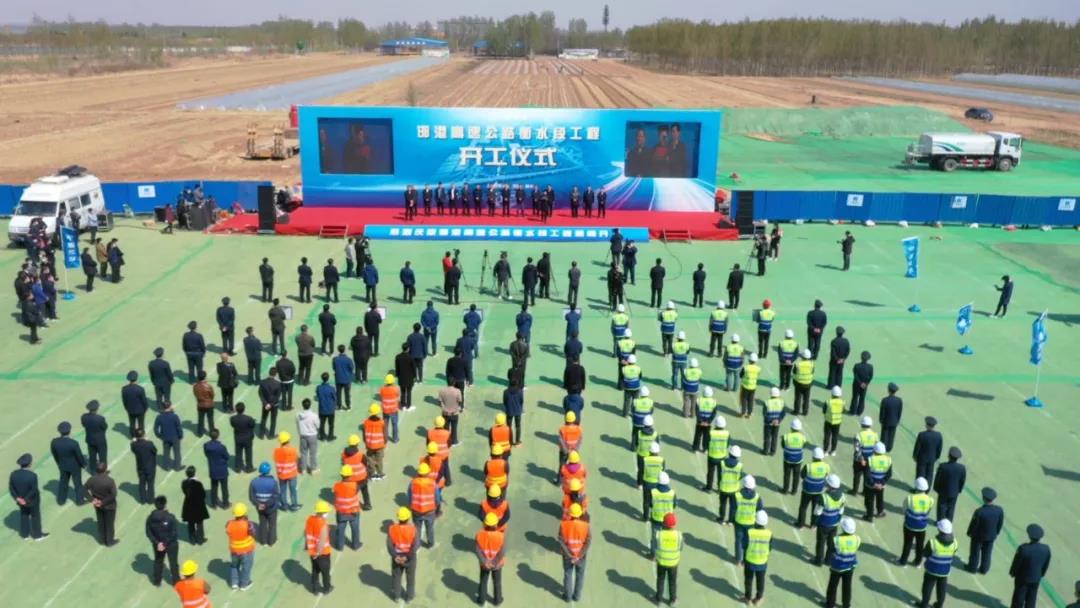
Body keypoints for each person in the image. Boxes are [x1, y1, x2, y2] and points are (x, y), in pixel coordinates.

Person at [916, 519, 959, 608]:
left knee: (927, 587)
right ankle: (939, 605)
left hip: (931, 570)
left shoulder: (933, 542)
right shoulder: (955, 543)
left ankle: (924, 604)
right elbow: (953, 553)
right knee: (942, 589)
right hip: (945, 571)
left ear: (940, 530)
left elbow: (925, 553)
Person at [1010, 524, 1052, 608]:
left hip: (1022, 578)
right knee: (1031, 598)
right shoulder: (1046, 549)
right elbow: (1046, 564)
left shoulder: (1024, 548)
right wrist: (1041, 574)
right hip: (1036, 578)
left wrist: (1013, 572)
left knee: (1019, 597)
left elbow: (1017, 563)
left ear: (1029, 536)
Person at [897, 476, 935, 567]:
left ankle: (903, 561)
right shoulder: (930, 500)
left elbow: (904, 510)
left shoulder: (910, 498)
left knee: (907, 543)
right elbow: (928, 511)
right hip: (922, 527)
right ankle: (918, 562)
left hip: (909, 525)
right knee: (920, 545)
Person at [824, 517, 861, 608]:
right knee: (847, 586)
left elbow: (831, 549)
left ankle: (830, 604)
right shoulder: (857, 539)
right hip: (850, 566)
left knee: (833, 586)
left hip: (837, 566)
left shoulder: (837, 539)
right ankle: (846, 605)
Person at [9, 453, 47, 540]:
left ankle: (24, 535)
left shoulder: (13, 474)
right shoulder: (32, 476)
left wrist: (18, 498)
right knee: (35, 517)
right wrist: (25, 499)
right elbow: (33, 490)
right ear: (29, 464)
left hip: (20, 500)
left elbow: (11, 488)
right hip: (32, 501)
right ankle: (37, 536)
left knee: (24, 515)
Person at [967, 487, 1004, 574]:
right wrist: (996, 532)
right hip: (991, 536)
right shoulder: (999, 510)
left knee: (975, 553)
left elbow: (974, 525)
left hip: (978, 537)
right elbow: (1000, 523)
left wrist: (970, 533)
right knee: (987, 553)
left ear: (983, 498)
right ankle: (984, 569)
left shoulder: (979, 511)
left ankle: (972, 568)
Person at [559, 501, 590, 602]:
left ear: (570, 514)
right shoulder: (586, 526)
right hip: (581, 557)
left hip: (567, 556)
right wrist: (579, 556)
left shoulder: (563, 525)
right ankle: (577, 596)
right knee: (580, 576)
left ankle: (567, 597)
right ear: (580, 514)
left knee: (568, 575)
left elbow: (561, 541)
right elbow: (588, 542)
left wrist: (569, 555)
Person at [146, 495, 180, 586]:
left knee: (158, 561)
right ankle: (176, 582)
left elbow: (148, 532)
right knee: (173, 563)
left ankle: (157, 581)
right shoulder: (170, 517)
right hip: (171, 544)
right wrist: (165, 543)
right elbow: (174, 532)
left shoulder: (150, 518)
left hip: (158, 545)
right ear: (165, 504)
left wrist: (157, 543)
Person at [51, 421, 86, 505]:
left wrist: (59, 463)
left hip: (63, 465)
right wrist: (83, 464)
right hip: (74, 466)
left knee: (63, 483)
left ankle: (61, 500)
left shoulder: (54, 442)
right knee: (77, 483)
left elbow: (55, 454)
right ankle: (80, 500)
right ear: (69, 431)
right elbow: (79, 456)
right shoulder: (73, 443)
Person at [475, 511, 506, 605]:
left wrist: (485, 562)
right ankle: (497, 600)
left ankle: (481, 600)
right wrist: (494, 562)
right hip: (497, 565)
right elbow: (502, 552)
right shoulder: (501, 536)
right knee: (497, 582)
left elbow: (477, 550)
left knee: (483, 581)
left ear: (485, 524)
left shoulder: (479, 535)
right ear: (496, 524)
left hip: (484, 565)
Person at [407, 462, 441, 547]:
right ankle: (430, 543)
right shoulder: (432, 483)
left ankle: (417, 544)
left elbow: (410, 497)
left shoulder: (412, 483)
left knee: (417, 528)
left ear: (418, 473)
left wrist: (410, 507)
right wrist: (437, 508)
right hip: (429, 510)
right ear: (428, 473)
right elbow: (437, 498)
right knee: (430, 528)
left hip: (416, 510)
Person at [814, 475, 846, 566]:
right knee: (831, 543)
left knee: (821, 543)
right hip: (834, 524)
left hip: (823, 524)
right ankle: (828, 560)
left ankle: (819, 561)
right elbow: (841, 511)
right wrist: (837, 520)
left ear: (830, 485)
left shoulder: (823, 497)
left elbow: (817, 512)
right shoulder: (842, 496)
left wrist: (814, 523)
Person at [85, 462, 118, 546]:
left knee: (101, 522)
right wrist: (103, 502)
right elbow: (113, 495)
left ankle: (102, 540)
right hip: (109, 506)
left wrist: (92, 499)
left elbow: (83, 489)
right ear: (105, 470)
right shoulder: (109, 481)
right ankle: (109, 541)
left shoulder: (91, 479)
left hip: (97, 505)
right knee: (109, 524)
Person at [744, 510, 773, 605]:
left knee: (748, 579)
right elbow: (770, 547)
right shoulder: (769, 534)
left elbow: (744, 545)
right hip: (762, 561)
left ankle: (748, 598)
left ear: (755, 521)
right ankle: (758, 598)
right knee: (760, 580)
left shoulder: (750, 532)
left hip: (750, 560)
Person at [306, 501, 334, 595]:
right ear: (322, 512)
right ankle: (327, 588)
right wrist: (317, 553)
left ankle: (314, 588)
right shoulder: (323, 524)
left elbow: (308, 533)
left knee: (315, 570)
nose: (327, 513)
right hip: (322, 553)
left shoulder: (310, 519)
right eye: (326, 512)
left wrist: (314, 553)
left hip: (312, 551)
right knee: (325, 572)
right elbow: (322, 541)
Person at [797, 447, 830, 528]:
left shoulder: (808, 466)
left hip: (807, 490)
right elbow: (826, 476)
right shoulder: (826, 467)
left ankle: (800, 524)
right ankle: (813, 525)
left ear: (813, 457)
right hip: (819, 491)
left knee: (803, 507)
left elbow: (802, 475)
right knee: (815, 509)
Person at [654, 512, 682, 605]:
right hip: (673, 563)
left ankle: (658, 599)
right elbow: (681, 547)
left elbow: (655, 546)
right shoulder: (678, 535)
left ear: (664, 523)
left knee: (660, 580)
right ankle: (672, 600)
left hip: (661, 562)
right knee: (672, 582)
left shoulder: (659, 535)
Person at [249, 462, 280, 546]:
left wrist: (259, 504)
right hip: (271, 508)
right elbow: (275, 496)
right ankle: (272, 541)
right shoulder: (273, 482)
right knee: (272, 525)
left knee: (262, 523)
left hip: (260, 508)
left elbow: (251, 497)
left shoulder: (253, 482)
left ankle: (263, 541)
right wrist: (266, 504)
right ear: (269, 471)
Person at [341, 435, 373, 510]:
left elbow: (343, 463)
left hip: (350, 478)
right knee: (365, 491)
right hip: (362, 477)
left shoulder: (343, 454)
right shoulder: (360, 454)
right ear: (357, 444)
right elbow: (366, 464)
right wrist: (369, 474)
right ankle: (367, 505)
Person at [934, 447, 966, 522]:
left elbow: (938, 479)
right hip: (954, 492)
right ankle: (948, 522)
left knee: (941, 506)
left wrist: (936, 488)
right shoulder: (962, 468)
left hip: (943, 491)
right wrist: (959, 490)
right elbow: (962, 481)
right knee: (951, 507)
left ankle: (940, 521)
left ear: (949, 455)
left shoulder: (943, 466)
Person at [180, 466, 209, 544]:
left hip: (188, 505)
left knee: (190, 523)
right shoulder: (198, 484)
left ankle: (192, 539)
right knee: (199, 523)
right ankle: (200, 539)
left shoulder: (184, 483)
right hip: (198, 506)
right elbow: (203, 494)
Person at [851, 416, 878, 495]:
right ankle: (865, 492)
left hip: (859, 460)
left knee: (857, 475)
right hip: (870, 460)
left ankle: (855, 491)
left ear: (862, 424)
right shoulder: (875, 435)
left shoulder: (858, 435)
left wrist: (861, 459)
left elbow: (857, 449)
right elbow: (875, 449)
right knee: (867, 476)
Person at [203, 429, 231, 509]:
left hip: (213, 469)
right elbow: (227, 457)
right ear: (218, 436)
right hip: (222, 470)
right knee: (224, 488)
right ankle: (225, 504)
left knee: (214, 487)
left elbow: (206, 454)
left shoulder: (206, 446)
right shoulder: (221, 447)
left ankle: (214, 504)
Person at [864, 443, 892, 520]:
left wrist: (874, 484)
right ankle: (880, 512)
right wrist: (882, 483)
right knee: (880, 498)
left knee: (870, 500)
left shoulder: (870, 459)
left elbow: (867, 474)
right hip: (881, 485)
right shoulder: (888, 460)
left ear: (875, 451)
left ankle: (869, 516)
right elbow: (889, 474)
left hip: (870, 485)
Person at [913, 417, 943, 486]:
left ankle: (918, 487)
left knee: (920, 473)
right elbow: (939, 448)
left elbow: (917, 447)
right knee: (929, 474)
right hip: (932, 458)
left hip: (922, 458)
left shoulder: (922, 435)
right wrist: (936, 457)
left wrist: (915, 456)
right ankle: (927, 488)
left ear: (927, 425)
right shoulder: (938, 435)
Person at [274, 432, 300, 511]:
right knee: (293, 490)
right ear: (288, 441)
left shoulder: (276, 451)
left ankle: (284, 506)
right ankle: (294, 505)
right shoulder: (293, 450)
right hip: (292, 473)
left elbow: (276, 460)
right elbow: (296, 460)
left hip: (281, 474)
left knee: (283, 490)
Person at [80, 399, 108, 474]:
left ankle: (92, 471)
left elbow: (83, 424)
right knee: (102, 457)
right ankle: (103, 471)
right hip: (100, 440)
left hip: (90, 439)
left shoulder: (84, 417)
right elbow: (105, 427)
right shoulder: (100, 418)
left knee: (92, 456)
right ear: (97, 408)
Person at [154, 403, 184, 471]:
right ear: (169, 407)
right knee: (177, 452)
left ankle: (167, 467)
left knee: (166, 452)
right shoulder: (174, 416)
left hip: (165, 438)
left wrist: (159, 435)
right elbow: (178, 427)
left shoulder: (159, 417)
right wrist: (180, 435)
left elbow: (155, 428)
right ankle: (177, 467)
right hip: (175, 437)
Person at [363, 404, 387, 480]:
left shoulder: (366, 422)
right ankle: (380, 473)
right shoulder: (381, 422)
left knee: (370, 459)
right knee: (379, 459)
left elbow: (364, 434)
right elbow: (385, 434)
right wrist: (385, 442)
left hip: (370, 444)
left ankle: (372, 474)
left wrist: (366, 442)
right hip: (379, 445)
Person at [230, 403, 255, 473]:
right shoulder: (248, 418)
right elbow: (252, 425)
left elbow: (233, 425)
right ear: (244, 409)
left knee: (238, 453)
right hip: (247, 438)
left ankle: (238, 468)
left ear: (236, 409)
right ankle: (249, 468)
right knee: (248, 453)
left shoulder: (232, 419)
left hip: (238, 438)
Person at [257, 368, 282, 439]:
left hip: (265, 404)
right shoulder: (277, 384)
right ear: (275, 374)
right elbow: (277, 396)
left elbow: (260, 394)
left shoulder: (262, 382)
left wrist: (265, 403)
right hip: (274, 405)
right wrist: (271, 404)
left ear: (269, 373)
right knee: (273, 420)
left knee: (264, 418)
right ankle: (271, 435)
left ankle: (261, 435)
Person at [878, 383, 903, 451]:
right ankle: (889, 447)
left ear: (888, 390)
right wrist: (897, 420)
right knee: (891, 435)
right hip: (894, 421)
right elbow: (899, 412)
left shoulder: (885, 400)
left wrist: (881, 420)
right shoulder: (899, 400)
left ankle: (883, 448)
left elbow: (882, 412)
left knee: (884, 435)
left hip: (886, 421)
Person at [193, 371, 215, 437]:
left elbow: (195, 394)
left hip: (200, 404)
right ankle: (212, 433)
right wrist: (209, 400)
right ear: (205, 377)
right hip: (209, 404)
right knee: (210, 419)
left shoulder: (195, 386)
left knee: (200, 419)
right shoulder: (208, 386)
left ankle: (200, 433)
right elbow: (212, 395)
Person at [739, 353, 760, 418]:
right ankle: (749, 413)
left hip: (745, 386)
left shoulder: (746, 368)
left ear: (749, 360)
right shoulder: (758, 368)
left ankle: (743, 412)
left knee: (744, 399)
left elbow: (740, 375)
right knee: (751, 400)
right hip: (753, 387)